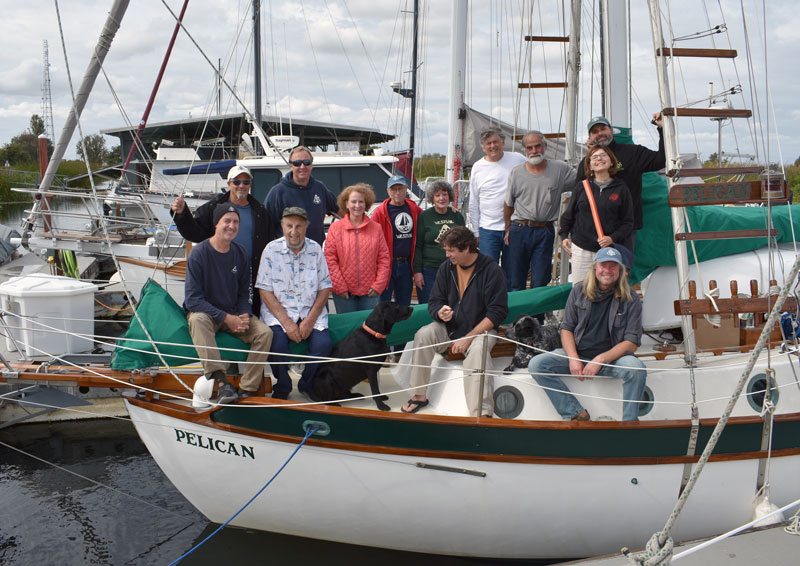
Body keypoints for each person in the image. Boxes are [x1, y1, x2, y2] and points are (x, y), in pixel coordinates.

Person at [528, 247, 646, 421]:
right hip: (580, 355)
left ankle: (629, 423)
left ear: (620, 271)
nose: (607, 270)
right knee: (537, 365)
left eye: (613, 266)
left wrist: (600, 360)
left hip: (612, 360)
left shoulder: (631, 298)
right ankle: (574, 412)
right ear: (595, 267)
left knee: (636, 369)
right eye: (603, 265)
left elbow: (631, 342)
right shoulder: (578, 291)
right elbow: (566, 329)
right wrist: (574, 358)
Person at [401, 227, 508, 417]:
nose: (447, 254)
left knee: (478, 353)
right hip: (450, 328)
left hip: (480, 331)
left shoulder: (492, 270)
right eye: (446, 250)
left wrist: (468, 337)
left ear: (467, 248)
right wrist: (439, 313)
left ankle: (481, 413)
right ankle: (419, 395)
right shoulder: (446, 268)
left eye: (451, 250)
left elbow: (497, 313)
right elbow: (434, 302)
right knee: (423, 334)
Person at [184, 203, 273, 403]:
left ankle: (247, 389)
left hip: (233, 311)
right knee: (197, 320)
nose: (231, 226)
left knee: (265, 333)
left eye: (235, 222)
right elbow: (193, 299)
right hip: (207, 313)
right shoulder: (199, 253)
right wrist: (226, 318)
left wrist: (243, 313)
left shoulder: (240, 253)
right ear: (216, 223)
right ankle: (221, 382)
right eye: (227, 221)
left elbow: (244, 291)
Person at [172, 164, 273, 315]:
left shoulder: (260, 211)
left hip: (251, 273)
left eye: (246, 182)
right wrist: (182, 214)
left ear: (250, 185)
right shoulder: (213, 207)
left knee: (250, 312)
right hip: (219, 271)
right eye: (236, 182)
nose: (241, 186)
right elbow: (195, 234)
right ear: (228, 184)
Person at [256, 207, 333, 400]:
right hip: (279, 313)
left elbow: (325, 288)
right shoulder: (271, 250)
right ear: (282, 226)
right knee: (277, 343)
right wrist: (288, 324)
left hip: (310, 312)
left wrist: (309, 320)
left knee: (323, 345)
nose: (294, 231)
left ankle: (307, 384)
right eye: (289, 226)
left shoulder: (316, 249)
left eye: (299, 226)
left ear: (306, 226)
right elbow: (264, 290)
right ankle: (283, 385)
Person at [577, 114, 665, 251]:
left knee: (622, 270)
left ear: (611, 130)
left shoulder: (633, 153)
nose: (600, 133)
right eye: (595, 131)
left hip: (624, 229)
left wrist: (662, 128)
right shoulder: (586, 163)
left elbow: (661, 160)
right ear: (590, 137)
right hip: (593, 231)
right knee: (595, 272)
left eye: (603, 129)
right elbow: (579, 195)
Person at [504, 131, 576, 292]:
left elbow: (582, 181)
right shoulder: (516, 172)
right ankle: (518, 317)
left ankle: (538, 318)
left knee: (540, 281)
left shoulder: (560, 169)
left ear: (545, 146)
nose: (534, 150)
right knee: (516, 280)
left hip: (545, 231)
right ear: (525, 150)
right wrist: (508, 229)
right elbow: (508, 204)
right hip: (519, 229)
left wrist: (571, 196)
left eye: (538, 146)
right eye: (530, 148)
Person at [560, 145, 634, 282]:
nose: (599, 159)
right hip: (582, 248)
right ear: (590, 166)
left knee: (609, 292)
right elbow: (568, 215)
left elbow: (628, 222)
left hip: (609, 251)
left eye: (603, 155)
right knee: (581, 290)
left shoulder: (621, 188)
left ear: (611, 162)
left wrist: (611, 238)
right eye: (594, 157)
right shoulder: (581, 187)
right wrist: (564, 236)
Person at [468, 127, 526, 283]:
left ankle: (512, 305)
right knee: (488, 274)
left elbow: (534, 173)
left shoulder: (518, 159)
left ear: (503, 142)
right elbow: (474, 202)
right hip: (487, 229)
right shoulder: (478, 167)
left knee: (513, 274)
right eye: (488, 143)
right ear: (483, 147)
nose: (492, 146)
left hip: (514, 227)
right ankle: (490, 306)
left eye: (495, 141)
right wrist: (476, 233)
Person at [324, 183, 391, 313]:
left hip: (370, 293)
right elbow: (329, 259)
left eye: (361, 202)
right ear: (346, 204)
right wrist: (339, 287)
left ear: (366, 204)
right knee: (347, 330)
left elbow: (384, 258)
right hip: (343, 293)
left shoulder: (376, 228)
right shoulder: (335, 228)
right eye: (353, 201)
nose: (357, 205)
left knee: (368, 329)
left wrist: (378, 285)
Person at [264, 146, 340, 244]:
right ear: (290, 165)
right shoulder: (277, 192)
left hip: (316, 252)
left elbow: (339, 211)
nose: (302, 167)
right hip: (288, 254)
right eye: (297, 163)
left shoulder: (320, 188)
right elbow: (266, 227)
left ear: (311, 164)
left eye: (306, 162)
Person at [371, 174, 422, 307]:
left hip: (406, 265)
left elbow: (430, 217)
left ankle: (402, 328)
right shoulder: (380, 212)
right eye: (394, 189)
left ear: (406, 189)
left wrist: (450, 210)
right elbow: (371, 238)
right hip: (386, 266)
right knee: (383, 305)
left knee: (404, 306)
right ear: (388, 191)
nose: (398, 192)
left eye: (401, 188)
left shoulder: (413, 208)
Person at [412, 180, 466, 303]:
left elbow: (464, 244)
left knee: (453, 306)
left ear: (449, 196)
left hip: (453, 270)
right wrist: (417, 272)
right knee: (428, 306)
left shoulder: (457, 216)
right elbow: (418, 246)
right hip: (429, 271)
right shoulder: (424, 216)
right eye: (437, 195)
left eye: (444, 194)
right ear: (432, 198)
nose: (441, 198)